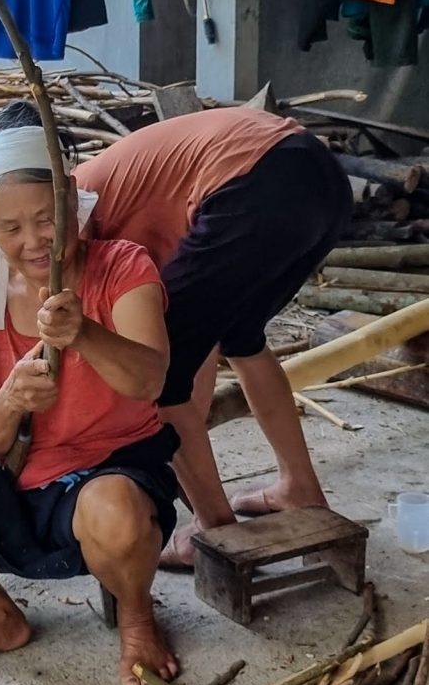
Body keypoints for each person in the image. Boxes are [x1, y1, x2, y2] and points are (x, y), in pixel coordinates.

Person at [0, 103, 180, 685]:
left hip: (114, 474)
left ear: (72, 197)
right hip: (21, 486)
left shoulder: (124, 268)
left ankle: (137, 617)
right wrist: (11, 399)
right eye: (11, 229)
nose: (35, 242)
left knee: (114, 512)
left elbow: (151, 381)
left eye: (47, 218)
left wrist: (85, 334)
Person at [74, 106, 353, 567]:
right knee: (240, 336)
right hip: (319, 175)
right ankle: (300, 488)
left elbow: (163, 359)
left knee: (161, 379)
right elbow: (195, 336)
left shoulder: (74, 220)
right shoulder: (78, 199)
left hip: (254, 184)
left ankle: (215, 529)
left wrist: (169, 411)